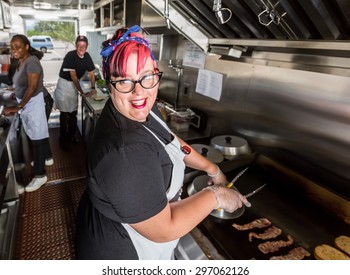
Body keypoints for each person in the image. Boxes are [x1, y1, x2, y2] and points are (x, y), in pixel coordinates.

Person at [75, 25, 251, 260]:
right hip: (122, 251)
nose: (139, 92)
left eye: (146, 77)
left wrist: (212, 168)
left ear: (156, 74)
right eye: (125, 81)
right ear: (110, 83)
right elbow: (163, 229)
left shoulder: (143, 108)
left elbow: (171, 139)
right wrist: (215, 195)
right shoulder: (125, 156)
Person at [3, 34, 53, 192]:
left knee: (38, 138)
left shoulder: (31, 61)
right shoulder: (21, 61)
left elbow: (32, 87)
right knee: (38, 133)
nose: (14, 50)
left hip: (38, 102)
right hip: (30, 103)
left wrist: (18, 107)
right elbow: (23, 84)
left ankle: (40, 175)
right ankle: (46, 158)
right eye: (12, 47)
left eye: (18, 46)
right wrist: (15, 92)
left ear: (26, 46)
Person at [53, 35, 96, 150]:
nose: (81, 48)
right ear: (76, 45)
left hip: (74, 86)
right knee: (65, 115)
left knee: (73, 114)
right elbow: (73, 76)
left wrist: (93, 87)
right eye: (79, 45)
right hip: (65, 86)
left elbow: (92, 73)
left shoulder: (87, 56)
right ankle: (62, 139)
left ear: (87, 46)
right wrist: (81, 92)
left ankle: (71, 136)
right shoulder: (70, 56)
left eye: (84, 45)